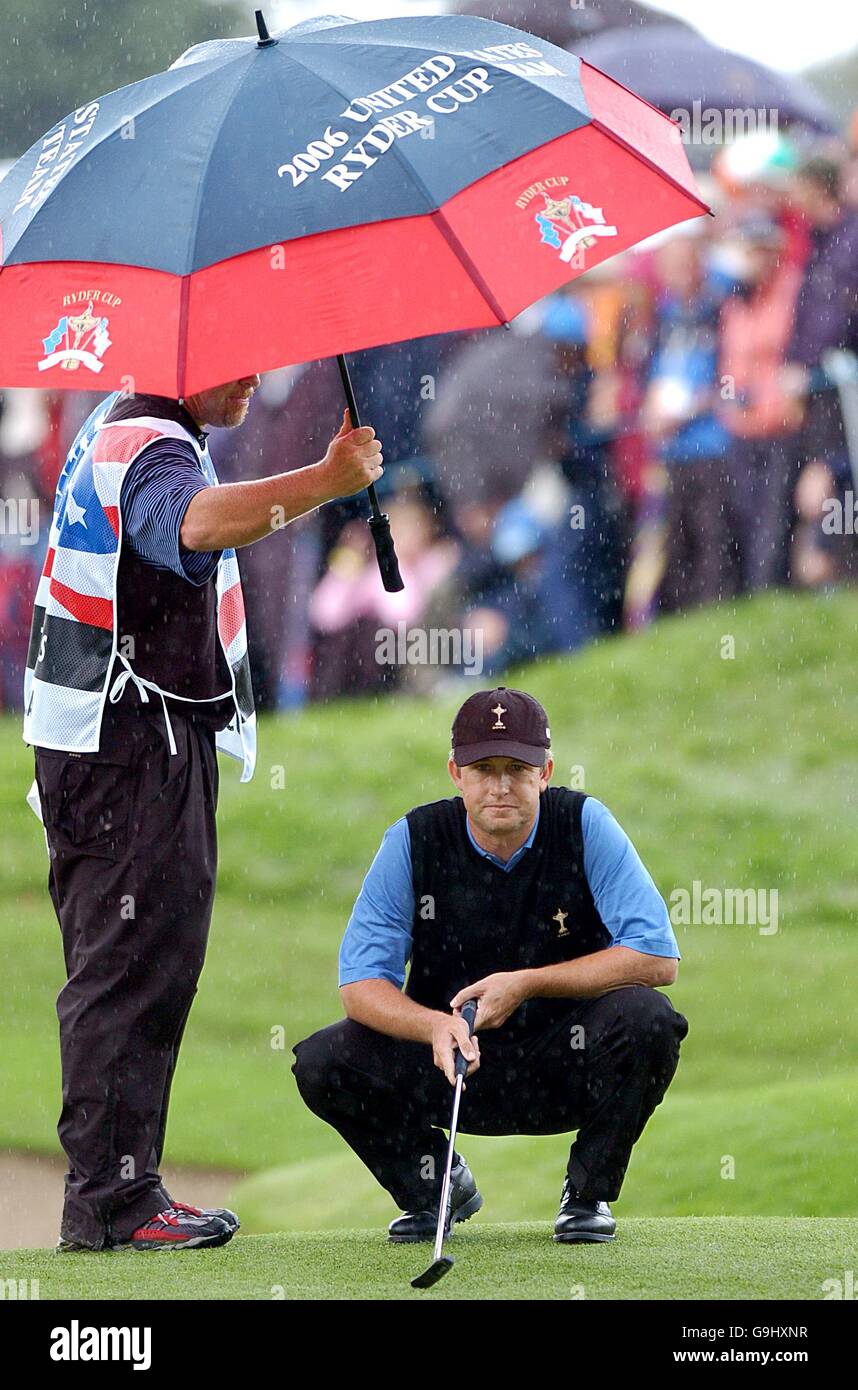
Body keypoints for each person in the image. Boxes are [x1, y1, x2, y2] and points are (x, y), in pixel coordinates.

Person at [24, 375, 384, 1252]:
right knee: (130, 963)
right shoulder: (152, 436)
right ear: (184, 357)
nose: (256, 377)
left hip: (109, 736)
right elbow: (189, 525)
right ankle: (112, 1202)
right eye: (239, 359)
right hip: (128, 740)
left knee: (140, 957)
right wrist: (324, 483)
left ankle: (119, 1194)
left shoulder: (127, 421)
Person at [293, 687, 688, 1245]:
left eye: (517, 768)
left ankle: (587, 1192)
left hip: (566, 1057)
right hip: (453, 1065)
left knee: (650, 1020)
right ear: (456, 773)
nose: (500, 785)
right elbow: (360, 983)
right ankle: (434, 1187)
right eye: (484, 768)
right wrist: (432, 1025)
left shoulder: (584, 824)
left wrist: (526, 984)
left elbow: (657, 955)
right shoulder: (414, 839)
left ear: (545, 771)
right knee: (321, 1061)